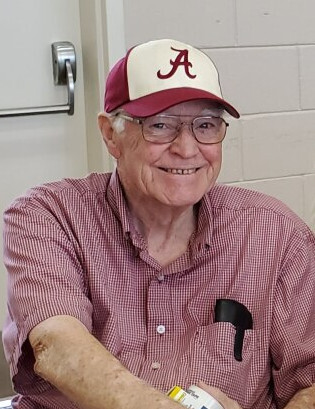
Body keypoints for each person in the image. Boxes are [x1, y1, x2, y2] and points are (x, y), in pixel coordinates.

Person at [2, 38, 315, 409]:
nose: (186, 148)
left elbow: (309, 381)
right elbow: (56, 346)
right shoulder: (50, 215)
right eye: (160, 125)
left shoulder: (275, 234)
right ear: (110, 134)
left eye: (206, 125)